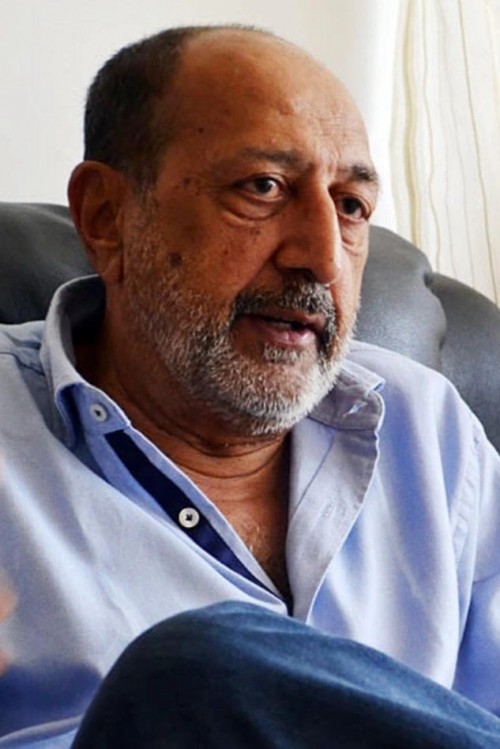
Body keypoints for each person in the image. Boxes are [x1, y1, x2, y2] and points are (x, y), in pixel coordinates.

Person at [1, 23, 500, 748]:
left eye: (351, 206)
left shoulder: (428, 428)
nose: (322, 257)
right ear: (107, 217)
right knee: (193, 671)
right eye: (262, 188)